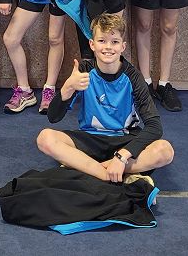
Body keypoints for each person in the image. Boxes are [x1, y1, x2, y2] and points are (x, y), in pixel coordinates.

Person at [37, 13, 173, 183]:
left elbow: (154, 126)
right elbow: (53, 117)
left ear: (123, 46)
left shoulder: (133, 76)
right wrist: (67, 88)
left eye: (114, 42)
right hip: (90, 139)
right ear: (92, 44)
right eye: (102, 41)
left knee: (165, 151)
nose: (108, 47)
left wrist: (122, 156)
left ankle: (90, 168)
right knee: (45, 138)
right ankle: (111, 174)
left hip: (124, 140)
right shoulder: (84, 71)